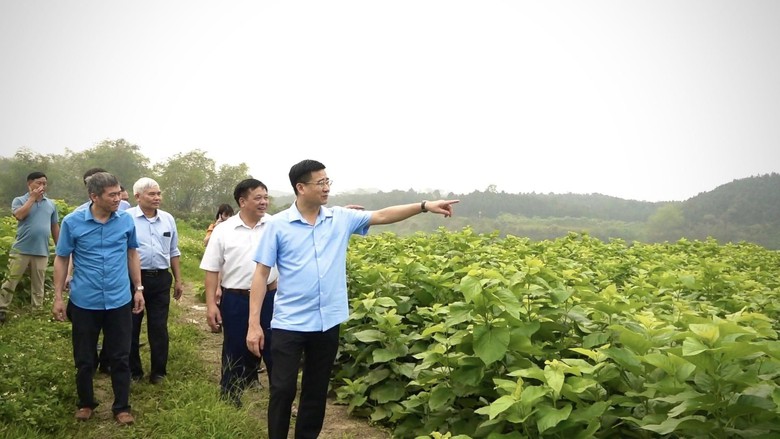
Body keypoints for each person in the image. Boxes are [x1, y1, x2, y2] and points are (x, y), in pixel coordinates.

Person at [246, 159, 459, 439]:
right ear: (301, 187)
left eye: (327, 181)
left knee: (315, 390)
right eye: (320, 182)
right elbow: (261, 275)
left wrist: (423, 205)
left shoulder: (340, 219)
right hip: (290, 322)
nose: (326, 188)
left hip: (327, 322)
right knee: (283, 388)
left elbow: (382, 215)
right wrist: (254, 324)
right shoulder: (277, 225)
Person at [51, 171, 145, 425]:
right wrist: (58, 296)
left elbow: (132, 254)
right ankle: (85, 403)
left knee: (120, 357)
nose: (119, 198)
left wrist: (138, 288)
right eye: (112, 195)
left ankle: (122, 407)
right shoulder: (73, 222)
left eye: (119, 193)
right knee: (84, 358)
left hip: (118, 299)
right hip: (84, 300)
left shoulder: (125, 221)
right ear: (94, 196)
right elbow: (61, 258)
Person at [199, 179, 278, 407]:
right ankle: (230, 398)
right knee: (235, 347)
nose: (264, 202)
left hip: (271, 298)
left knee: (275, 348)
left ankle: (280, 399)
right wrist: (211, 305)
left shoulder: (275, 225)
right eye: (258, 198)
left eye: (266, 197)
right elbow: (212, 270)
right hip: (236, 298)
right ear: (242, 201)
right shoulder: (224, 231)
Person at [126, 177, 183, 384]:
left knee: (159, 327)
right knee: (131, 326)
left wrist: (178, 279)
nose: (157, 197)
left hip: (160, 278)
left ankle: (159, 372)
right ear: (138, 196)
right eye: (152, 194)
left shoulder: (168, 219)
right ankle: (134, 372)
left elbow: (173, 251)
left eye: (159, 193)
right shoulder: (126, 218)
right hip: (132, 279)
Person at [0, 172, 60, 324]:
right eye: (38, 183)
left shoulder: (51, 204)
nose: (42, 187)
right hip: (21, 249)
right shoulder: (19, 200)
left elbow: (55, 227)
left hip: (41, 250)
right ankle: (2, 309)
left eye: (44, 183)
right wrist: (32, 199)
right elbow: (19, 215)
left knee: (38, 283)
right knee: (10, 281)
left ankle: (37, 312)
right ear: (29, 184)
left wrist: (60, 246)